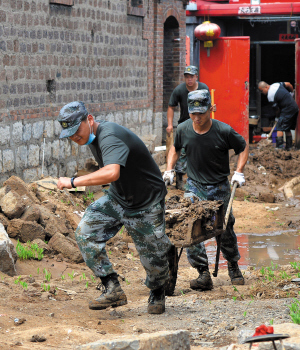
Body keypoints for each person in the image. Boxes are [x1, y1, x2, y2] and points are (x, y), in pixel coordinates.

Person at [56, 101, 171, 314]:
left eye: (76, 131)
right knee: (85, 232)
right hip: (119, 198)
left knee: (152, 257)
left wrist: (72, 182)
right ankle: (112, 288)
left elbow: (111, 173)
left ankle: (158, 289)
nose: (75, 137)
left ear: (89, 120)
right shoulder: (90, 136)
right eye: (70, 134)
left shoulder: (109, 135)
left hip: (146, 201)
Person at [163, 90, 249, 290]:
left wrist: (239, 171)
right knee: (189, 227)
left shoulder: (223, 131)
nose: (197, 117)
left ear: (210, 109)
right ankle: (203, 272)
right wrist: (169, 169)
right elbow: (175, 148)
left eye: (201, 113)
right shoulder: (183, 129)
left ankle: (234, 265)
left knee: (225, 226)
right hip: (194, 185)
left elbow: (243, 147)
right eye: (193, 113)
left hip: (219, 186)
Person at [166, 65, 211, 190]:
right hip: (185, 125)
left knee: (201, 150)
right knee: (182, 151)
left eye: (191, 77)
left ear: (196, 77)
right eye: (187, 77)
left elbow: (209, 107)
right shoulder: (179, 90)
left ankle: (201, 179)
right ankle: (179, 179)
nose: (189, 79)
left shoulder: (203, 89)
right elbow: (171, 106)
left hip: (200, 124)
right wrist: (170, 124)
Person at [258, 81, 299, 150]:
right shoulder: (276, 84)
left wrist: (277, 117)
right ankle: (289, 147)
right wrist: (292, 93)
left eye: (262, 91)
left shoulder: (270, 95)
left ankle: (279, 148)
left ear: (266, 87)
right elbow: (289, 84)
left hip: (287, 109)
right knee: (287, 128)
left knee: (279, 128)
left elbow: (276, 109)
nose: (262, 93)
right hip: (294, 107)